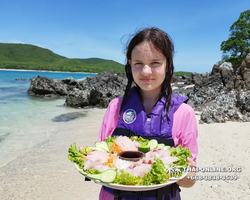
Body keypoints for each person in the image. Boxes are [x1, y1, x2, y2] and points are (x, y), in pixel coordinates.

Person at [98, 27, 198, 200]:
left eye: (155, 63)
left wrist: (184, 171)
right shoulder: (115, 107)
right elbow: (100, 168)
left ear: (168, 64)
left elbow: (190, 182)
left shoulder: (184, 113)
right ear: (130, 64)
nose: (146, 71)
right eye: (138, 64)